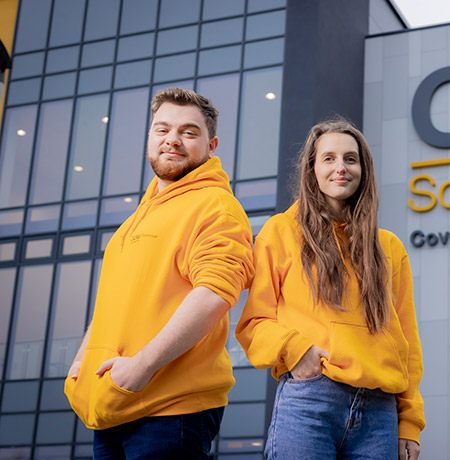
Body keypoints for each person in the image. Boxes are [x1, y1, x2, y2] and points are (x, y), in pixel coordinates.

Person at [64, 88, 255, 459]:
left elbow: (215, 293)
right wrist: (83, 357)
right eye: (162, 129)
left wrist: (141, 368)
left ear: (211, 144)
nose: (172, 139)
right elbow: (115, 302)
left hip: (171, 409)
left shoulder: (216, 207)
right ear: (150, 138)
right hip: (113, 405)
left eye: (188, 132)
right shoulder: (136, 219)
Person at [236, 118, 424, 460]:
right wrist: (296, 350)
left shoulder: (389, 248)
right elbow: (254, 323)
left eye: (351, 159)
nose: (341, 167)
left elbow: (407, 344)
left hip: (380, 414)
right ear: (312, 169)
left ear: (363, 170)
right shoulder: (279, 232)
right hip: (310, 402)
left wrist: (409, 421)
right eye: (329, 158)